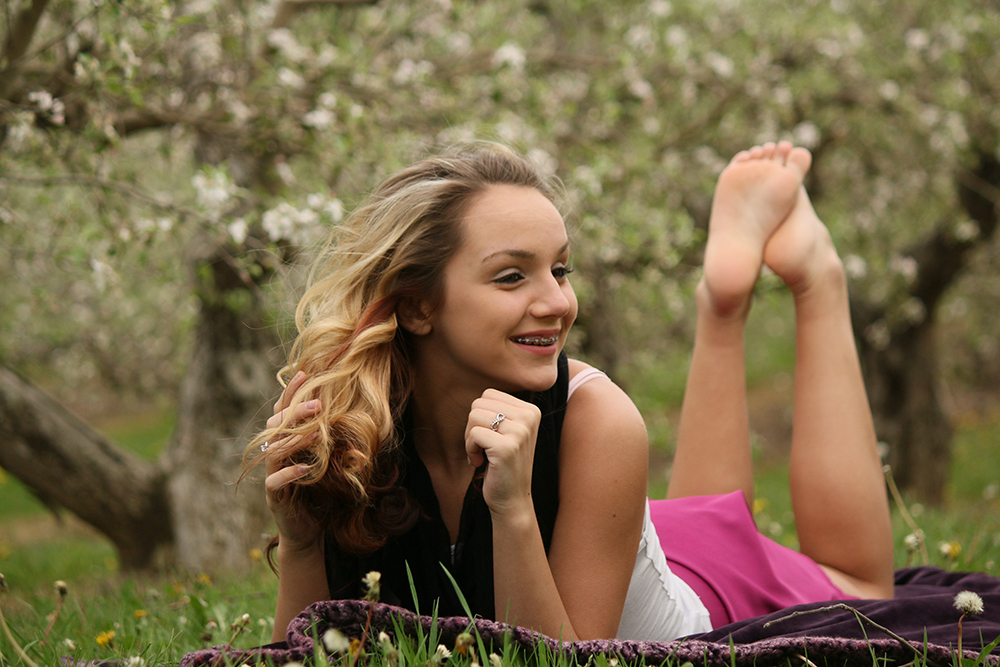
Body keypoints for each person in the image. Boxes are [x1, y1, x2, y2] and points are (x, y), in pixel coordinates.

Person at [247, 140, 894, 644]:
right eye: (511, 276)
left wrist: (514, 510)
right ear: (418, 306)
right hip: (623, 538)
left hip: (696, 603)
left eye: (560, 269)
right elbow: (307, 649)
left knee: (865, 589)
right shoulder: (350, 428)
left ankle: (814, 279)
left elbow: (561, 656)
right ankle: (724, 304)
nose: (558, 302)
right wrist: (303, 543)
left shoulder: (597, 417)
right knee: (707, 515)